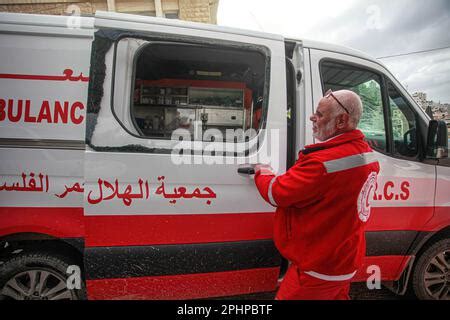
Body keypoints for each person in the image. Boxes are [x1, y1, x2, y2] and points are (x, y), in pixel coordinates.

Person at [254, 89, 380, 300]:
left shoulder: (323, 163)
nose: (312, 118)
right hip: (344, 259)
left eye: (320, 114)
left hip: (318, 267)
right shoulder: (365, 153)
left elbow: (276, 192)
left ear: (341, 121)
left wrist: (262, 172)